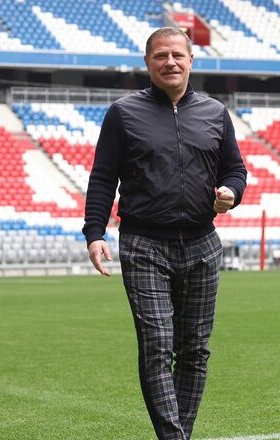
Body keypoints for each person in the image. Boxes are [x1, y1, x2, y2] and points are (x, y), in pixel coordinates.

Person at [83, 27, 247, 440]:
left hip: (203, 245)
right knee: (157, 345)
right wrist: (95, 232)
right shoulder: (123, 113)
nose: (169, 62)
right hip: (144, 244)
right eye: (160, 56)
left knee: (195, 351)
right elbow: (103, 177)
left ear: (191, 61)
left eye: (177, 54)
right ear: (147, 63)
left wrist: (232, 193)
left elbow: (235, 170)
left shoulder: (215, 112)